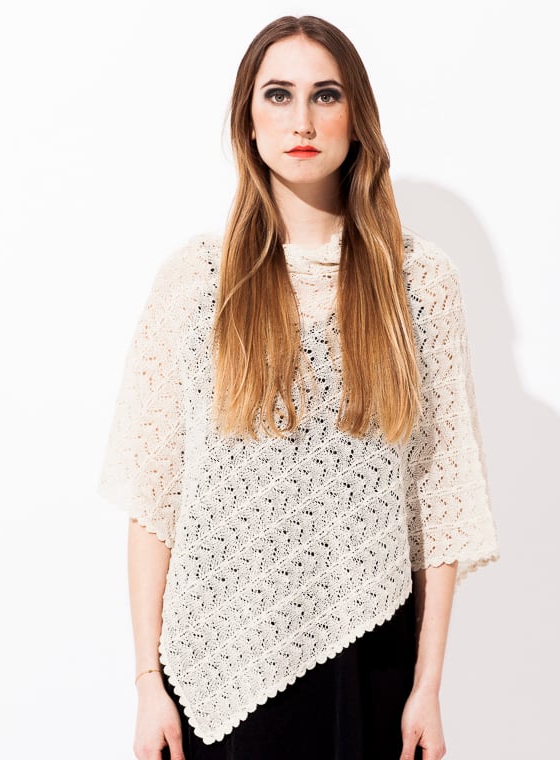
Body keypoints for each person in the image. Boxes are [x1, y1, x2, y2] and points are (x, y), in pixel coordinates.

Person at [98, 14, 499, 760]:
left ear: (356, 117)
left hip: (367, 656)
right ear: (248, 122)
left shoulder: (418, 282)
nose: (302, 120)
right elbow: (155, 497)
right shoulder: (195, 283)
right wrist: (148, 682)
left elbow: (439, 499)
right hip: (217, 660)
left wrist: (428, 686)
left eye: (325, 95)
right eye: (278, 95)